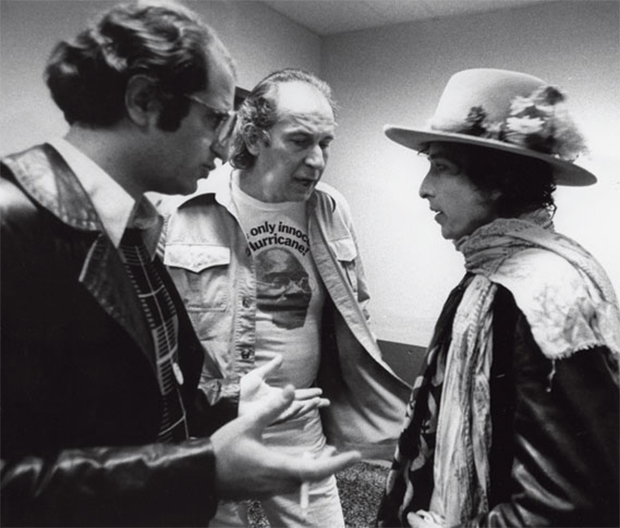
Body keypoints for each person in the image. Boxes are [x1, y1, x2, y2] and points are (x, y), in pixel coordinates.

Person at [0, 3, 361, 527]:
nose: (226, 144)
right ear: (145, 101)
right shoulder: (12, 225)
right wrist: (200, 471)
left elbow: (138, 400)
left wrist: (231, 410)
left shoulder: (130, 227)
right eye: (215, 118)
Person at [160, 68, 411, 527]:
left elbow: (356, 307)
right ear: (255, 138)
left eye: (326, 144)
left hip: (301, 417)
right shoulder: (184, 209)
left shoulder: (331, 208)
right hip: (213, 424)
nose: (317, 161)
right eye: (299, 141)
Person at [376, 68, 620, 527]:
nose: (424, 188)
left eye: (442, 167)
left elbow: (569, 502)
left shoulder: (542, 293)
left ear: (497, 181)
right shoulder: (493, 273)